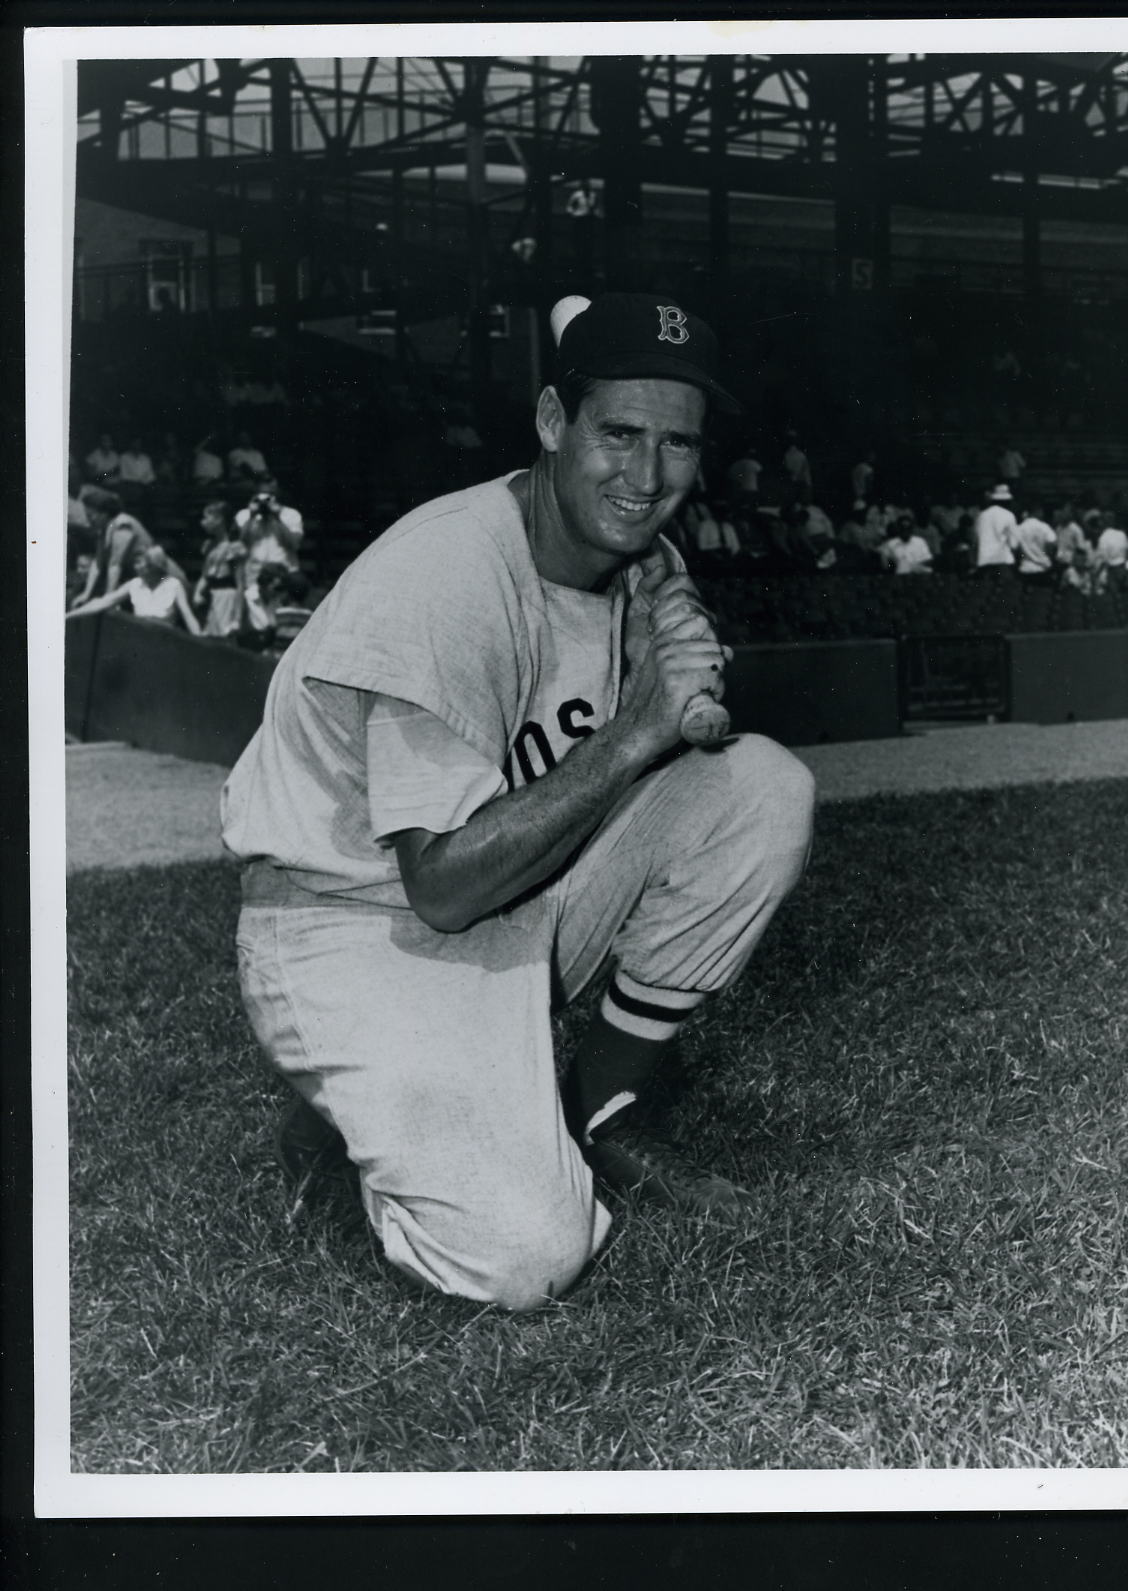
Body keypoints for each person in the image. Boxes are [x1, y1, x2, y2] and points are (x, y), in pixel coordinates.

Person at [221, 291, 816, 1313]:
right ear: (551, 423)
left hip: (506, 900)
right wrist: (637, 726)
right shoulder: (445, 573)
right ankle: (348, 1101)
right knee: (525, 1257)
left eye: (677, 444)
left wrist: (686, 684)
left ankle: (603, 1113)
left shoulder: (637, 556)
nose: (647, 476)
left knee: (760, 787)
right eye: (618, 434)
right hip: (352, 928)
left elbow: (695, 735)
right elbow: (441, 889)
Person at [66, 544, 202, 634]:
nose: (135, 566)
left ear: (153, 563)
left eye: (139, 562)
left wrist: (200, 639)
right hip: (139, 639)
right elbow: (102, 602)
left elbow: (187, 615)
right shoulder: (134, 584)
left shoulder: (174, 585)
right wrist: (68, 616)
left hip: (165, 640)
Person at [235, 484, 305, 640]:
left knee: (282, 620)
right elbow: (241, 542)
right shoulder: (245, 515)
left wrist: (277, 517)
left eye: (268, 497)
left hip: (284, 575)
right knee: (257, 617)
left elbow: (293, 543)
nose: (264, 502)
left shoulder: (291, 515)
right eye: (261, 497)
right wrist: (253, 516)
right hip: (256, 575)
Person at [191, 500, 247, 638]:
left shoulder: (234, 548)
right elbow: (205, 575)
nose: (203, 522)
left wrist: (237, 618)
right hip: (211, 597)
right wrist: (197, 592)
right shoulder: (210, 546)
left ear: (219, 519)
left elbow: (240, 584)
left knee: (223, 640)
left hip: (226, 598)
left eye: (207, 517)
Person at [972, 484, 1020, 578]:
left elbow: (975, 541)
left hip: (984, 562)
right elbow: (1014, 544)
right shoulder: (1009, 515)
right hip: (1003, 561)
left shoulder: (981, 516)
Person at [1016, 501, 1058, 582]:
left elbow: (1015, 548)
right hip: (1043, 568)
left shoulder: (1019, 528)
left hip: (1025, 568)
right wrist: (1045, 555)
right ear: (1038, 511)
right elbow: (1052, 544)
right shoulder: (1044, 527)